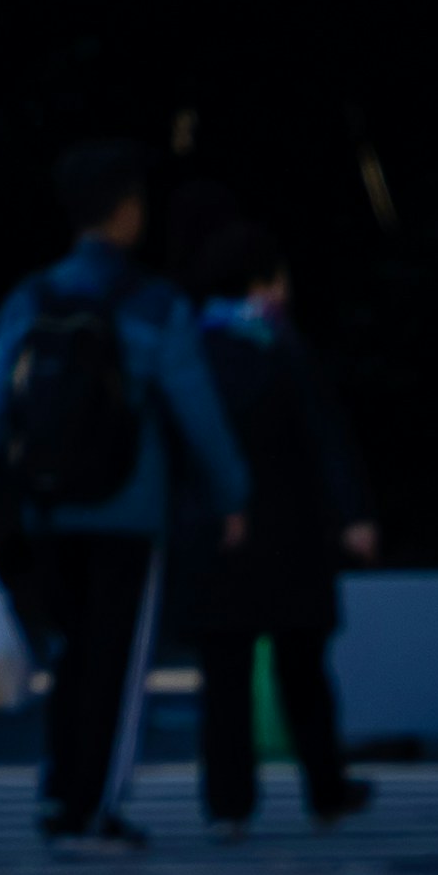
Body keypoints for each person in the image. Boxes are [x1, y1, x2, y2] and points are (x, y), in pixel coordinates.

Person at [0, 142, 245, 851]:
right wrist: (232, 493)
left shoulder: (32, 297)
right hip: (128, 506)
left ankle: (59, 792)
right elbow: (195, 407)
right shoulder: (154, 301)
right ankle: (100, 802)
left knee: (69, 652)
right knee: (119, 658)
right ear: (127, 210)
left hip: (47, 506)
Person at [171, 222, 374, 833]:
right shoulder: (279, 343)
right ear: (265, 281)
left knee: (224, 677)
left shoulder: (189, 344)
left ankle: (228, 804)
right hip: (292, 527)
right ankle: (326, 790)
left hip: (215, 529)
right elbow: (322, 436)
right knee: (304, 669)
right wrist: (354, 513)